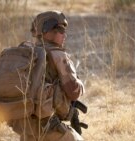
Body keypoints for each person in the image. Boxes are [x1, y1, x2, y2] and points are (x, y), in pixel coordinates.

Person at [7, 10, 85, 141]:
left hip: (25, 127)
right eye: (60, 30)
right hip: (47, 126)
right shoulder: (58, 55)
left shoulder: (27, 52)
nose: (64, 34)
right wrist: (80, 83)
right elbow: (74, 92)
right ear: (47, 31)